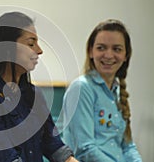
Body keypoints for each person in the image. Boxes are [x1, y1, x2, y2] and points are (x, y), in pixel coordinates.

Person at [0, 12, 78, 162]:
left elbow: (54, 146)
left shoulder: (35, 94)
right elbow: (4, 157)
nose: (39, 50)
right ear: (7, 47)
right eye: (31, 44)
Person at [61, 19, 143, 161]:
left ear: (126, 56)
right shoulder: (81, 88)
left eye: (117, 49)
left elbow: (128, 147)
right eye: (101, 48)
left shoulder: (117, 92)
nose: (109, 55)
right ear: (90, 51)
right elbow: (85, 149)